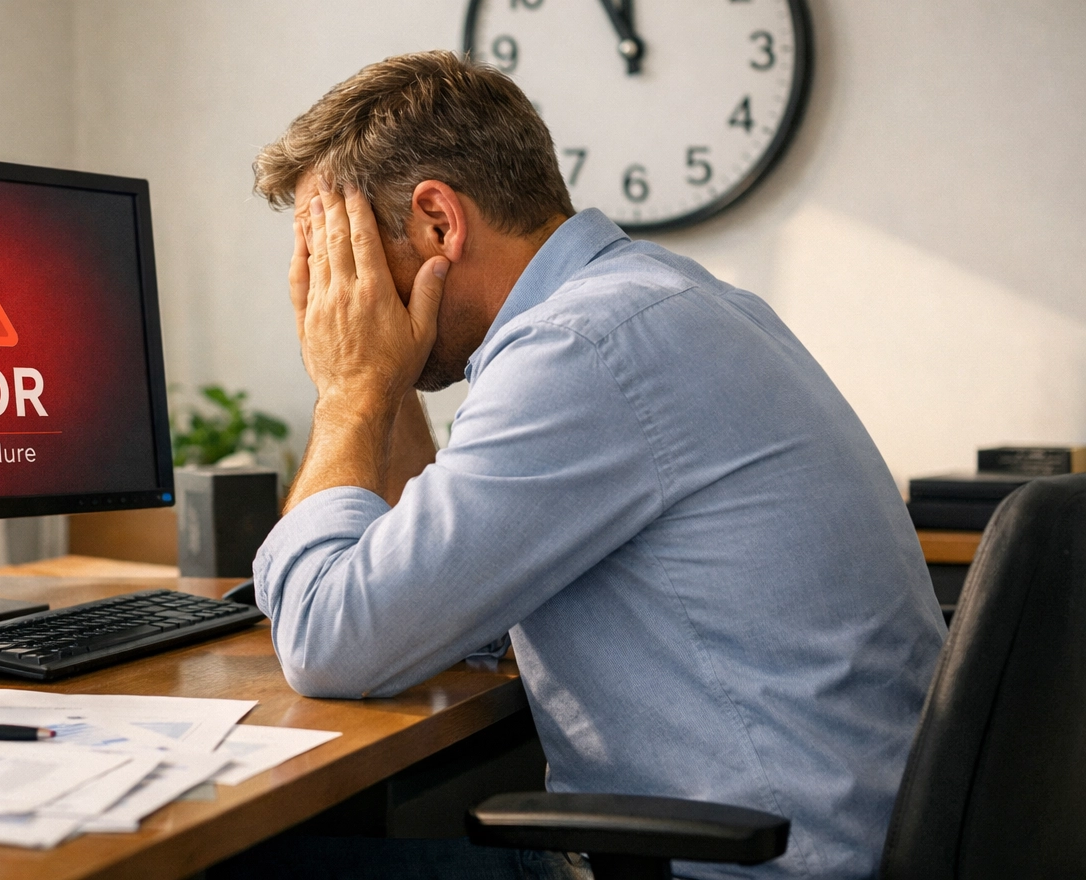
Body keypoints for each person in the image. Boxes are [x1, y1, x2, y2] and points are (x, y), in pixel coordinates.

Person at [224, 51, 945, 880]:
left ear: (437, 223)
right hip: (836, 839)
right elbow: (442, 602)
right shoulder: (658, 303)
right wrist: (386, 378)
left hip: (747, 867)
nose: (332, 295)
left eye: (340, 258)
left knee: (234, 865)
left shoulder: (579, 350)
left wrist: (350, 390)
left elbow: (328, 639)